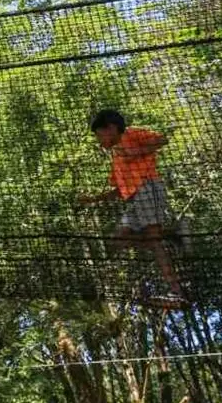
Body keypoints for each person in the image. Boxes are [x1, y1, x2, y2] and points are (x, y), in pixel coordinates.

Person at [78, 109, 184, 306]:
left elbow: (162, 139)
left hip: (147, 186)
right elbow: (119, 190)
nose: (100, 141)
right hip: (133, 200)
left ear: (111, 128)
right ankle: (172, 235)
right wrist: (94, 199)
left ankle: (176, 291)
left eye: (100, 135)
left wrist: (136, 152)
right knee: (119, 239)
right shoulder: (116, 158)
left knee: (153, 239)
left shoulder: (130, 134)